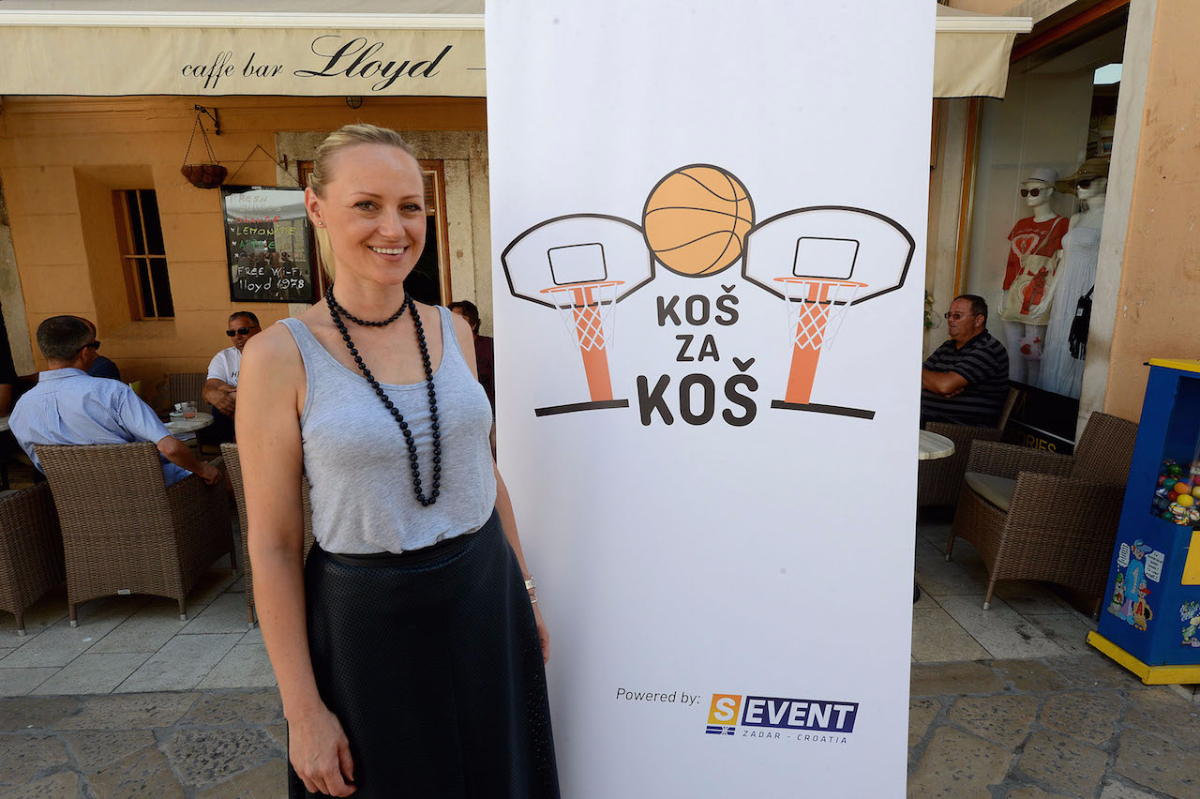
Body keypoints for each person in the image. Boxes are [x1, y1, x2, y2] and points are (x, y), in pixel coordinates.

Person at [237, 124, 558, 798]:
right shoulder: (278, 356)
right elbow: (273, 544)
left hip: (485, 594)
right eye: (367, 204)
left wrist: (524, 592)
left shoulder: (454, 328)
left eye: (411, 206)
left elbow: (484, 470)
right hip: (367, 622)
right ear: (316, 207)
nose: (395, 227)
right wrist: (302, 710)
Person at [9, 315, 221, 487]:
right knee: (218, 475)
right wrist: (201, 469)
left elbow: (41, 465)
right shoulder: (111, 392)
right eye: (95, 345)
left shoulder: (21, 409)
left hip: (76, 503)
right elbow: (170, 448)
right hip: (148, 492)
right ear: (85, 352)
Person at [921, 294, 1010, 426]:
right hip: (928, 419)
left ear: (978, 320)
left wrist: (939, 384)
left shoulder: (988, 349)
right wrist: (937, 385)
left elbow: (944, 386)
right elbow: (913, 379)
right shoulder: (947, 346)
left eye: (957, 316)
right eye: (949, 315)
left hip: (959, 427)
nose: (950, 320)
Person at [200, 312, 261, 445]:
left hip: (264, 414)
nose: (237, 337)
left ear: (258, 330)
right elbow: (210, 387)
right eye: (232, 333)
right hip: (234, 418)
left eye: (243, 331)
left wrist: (233, 395)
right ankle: (229, 452)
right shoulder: (223, 358)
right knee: (220, 404)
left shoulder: (273, 353)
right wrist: (212, 395)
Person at [448, 299, 495, 410]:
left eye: (460, 319)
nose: (453, 324)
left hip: (489, 409)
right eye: (449, 319)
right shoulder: (445, 350)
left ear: (473, 324)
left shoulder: (490, 346)